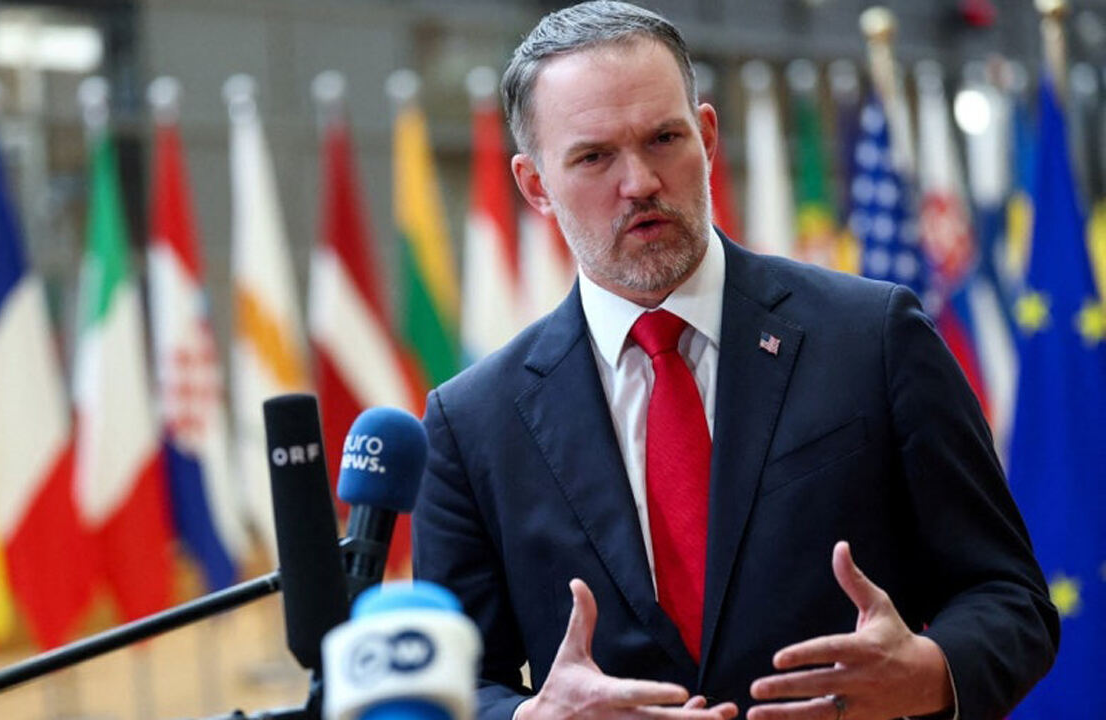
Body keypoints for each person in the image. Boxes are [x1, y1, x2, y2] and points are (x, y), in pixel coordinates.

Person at [411, 3, 1059, 719]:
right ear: (535, 184)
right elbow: (451, 685)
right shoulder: (472, 424)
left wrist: (930, 672)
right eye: (594, 157)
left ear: (708, 136)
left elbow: (1011, 598)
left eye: (664, 139)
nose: (640, 182)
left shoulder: (873, 337)